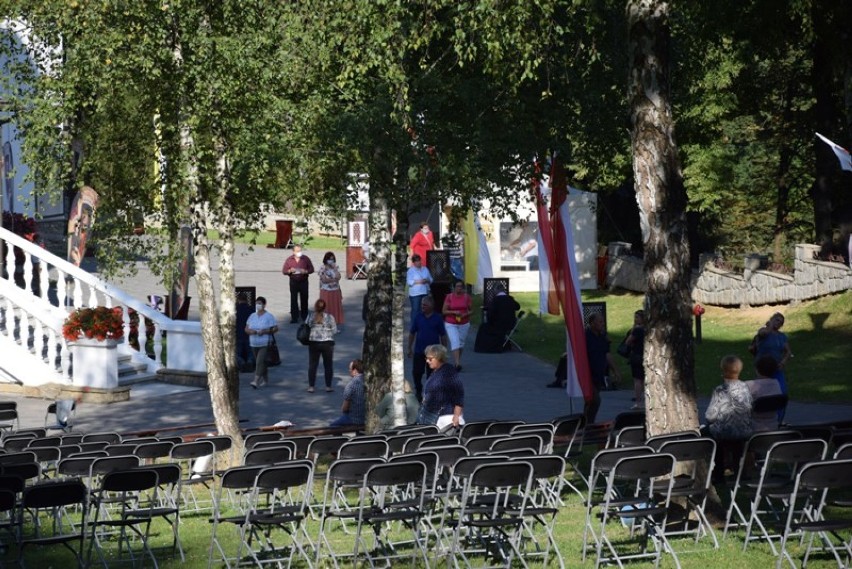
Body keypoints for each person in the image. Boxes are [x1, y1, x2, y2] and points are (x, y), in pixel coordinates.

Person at [705, 355, 753, 482]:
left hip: (725, 431)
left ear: (724, 371)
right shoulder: (746, 388)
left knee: (711, 433)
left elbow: (710, 415)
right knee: (738, 445)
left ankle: (719, 472)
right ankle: (740, 472)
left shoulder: (720, 390)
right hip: (744, 429)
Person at [407, 296, 447, 401]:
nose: (422, 306)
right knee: (417, 373)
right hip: (419, 351)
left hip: (434, 353)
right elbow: (412, 333)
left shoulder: (437, 318)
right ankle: (418, 390)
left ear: (431, 306)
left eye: (425, 305)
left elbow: (443, 335)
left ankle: (430, 393)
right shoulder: (418, 317)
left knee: (432, 374)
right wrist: (409, 348)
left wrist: (444, 350)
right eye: (422, 305)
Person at [584, 312, 620, 424]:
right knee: (595, 400)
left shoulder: (603, 336)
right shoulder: (585, 336)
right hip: (587, 374)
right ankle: (588, 424)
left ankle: (585, 424)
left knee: (590, 401)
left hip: (599, 374)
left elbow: (607, 354)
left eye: (602, 321)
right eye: (600, 322)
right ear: (592, 323)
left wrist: (615, 371)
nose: (602, 324)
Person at [419, 344, 465, 430]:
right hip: (434, 416)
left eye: (430, 359)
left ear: (439, 358)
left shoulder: (449, 372)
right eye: (426, 358)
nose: (427, 361)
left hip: (446, 418)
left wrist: (456, 416)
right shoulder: (436, 371)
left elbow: (459, 395)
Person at [749, 312, 791, 397]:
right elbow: (762, 334)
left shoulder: (782, 336)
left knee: (781, 391)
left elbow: (788, 352)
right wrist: (770, 326)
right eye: (776, 320)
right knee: (763, 391)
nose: (778, 323)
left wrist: (783, 362)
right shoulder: (764, 330)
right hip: (763, 367)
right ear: (771, 319)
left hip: (776, 366)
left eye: (781, 322)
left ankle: (778, 409)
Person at [244, 296, 279, 389]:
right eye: (257, 303)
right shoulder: (252, 316)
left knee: (259, 362)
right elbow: (246, 328)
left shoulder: (269, 316)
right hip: (254, 342)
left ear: (264, 305)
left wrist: (265, 331)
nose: (258, 305)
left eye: (260, 303)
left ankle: (255, 381)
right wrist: (251, 332)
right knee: (261, 362)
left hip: (265, 342)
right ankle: (265, 379)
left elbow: (275, 328)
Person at [474, 285, 520, 353]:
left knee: (483, 327)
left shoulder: (495, 300)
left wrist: (490, 320)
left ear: (497, 290)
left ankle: (484, 347)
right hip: (510, 324)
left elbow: (491, 314)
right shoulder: (510, 299)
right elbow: (518, 307)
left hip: (498, 325)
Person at [745, 355, 784, 432]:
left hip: (752, 428)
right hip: (773, 426)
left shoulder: (749, 385)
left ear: (757, 370)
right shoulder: (776, 384)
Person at [306, 299, 337, 393]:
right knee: (328, 365)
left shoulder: (311, 316)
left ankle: (311, 386)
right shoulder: (330, 317)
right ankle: (328, 386)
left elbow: (305, 327)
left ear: (315, 307)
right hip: (327, 343)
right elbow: (335, 330)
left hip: (314, 343)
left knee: (313, 365)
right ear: (325, 307)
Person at [442, 280, 473, 371]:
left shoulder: (467, 297)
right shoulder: (449, 297)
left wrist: (465, 314)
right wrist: (453, 312)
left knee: (461, 343)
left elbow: (471, 310)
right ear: (454, 287)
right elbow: (444, 311)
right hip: (451, 322)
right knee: (455, 341)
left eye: (461, 286)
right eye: (457, 286)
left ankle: (458, 360)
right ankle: (457, 363)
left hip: (464, 322)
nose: (459, 288)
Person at [282, 244, 314, 323]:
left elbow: (312, 269)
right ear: (293, 252)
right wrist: (290, 271)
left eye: (300, 251)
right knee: (293, 299)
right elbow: (284, 271)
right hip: (293, 282)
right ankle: (294, 317)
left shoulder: (305, 259)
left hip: (303, 281)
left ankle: (304, 316)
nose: (299, 252)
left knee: (304, 299)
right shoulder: (289, 260)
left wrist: (305, 271)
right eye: (297, 251)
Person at [329, 360, 366, 427]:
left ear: (355, 371)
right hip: (366, 418)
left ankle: (340, 437)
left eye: (350, 369)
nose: (349, 371)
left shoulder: (351, 385)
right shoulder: (368, 381)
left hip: (353, 419)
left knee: (333, 425)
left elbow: (345, 408)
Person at [625, 309, 646, 409]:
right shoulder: (648, 329)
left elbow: (628, 342)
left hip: (637, 355)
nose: (635, 319)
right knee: (644, 378)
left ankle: (638, 401)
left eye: (637, 317)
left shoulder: (637, 330)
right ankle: (645, 399)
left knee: (637, 380)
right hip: (646, 355)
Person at [318, 251, 344, 327]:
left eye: (332, 259)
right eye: (329, 259)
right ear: (326, 259)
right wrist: (333, 279)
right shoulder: (322, 268)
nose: (331, 261)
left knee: (335, 309)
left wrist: (335, 269)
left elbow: (338, 277)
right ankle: (325, 324)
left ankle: (334, 325)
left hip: (335, 291)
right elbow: (324, 280)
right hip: (326, 291)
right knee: (326, 308)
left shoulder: (336, 267)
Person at [406, 254, 433, 322]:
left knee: (424, 310)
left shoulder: (425, 269)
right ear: (414, 262)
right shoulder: (411, 271)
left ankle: (423, 324)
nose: (419, 262)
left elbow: (431, 279)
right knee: (415, 310)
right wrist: (419, 281)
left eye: (419, 260)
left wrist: (427, 280)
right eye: (417, 261)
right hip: (415, 294)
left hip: (424, 292)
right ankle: (414, 326)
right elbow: (409, 282)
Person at [235, 295, 255, 372]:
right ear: (246, 300)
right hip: (249, 335)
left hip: (238, 334)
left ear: (238, 300)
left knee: (237, 353)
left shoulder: (235, 310)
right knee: (250, 352)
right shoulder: (251, 310)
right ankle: (250, 362)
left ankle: (241, 363)